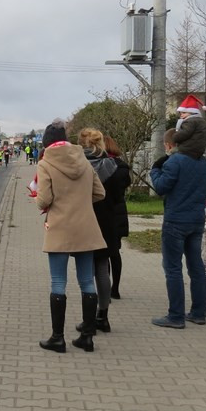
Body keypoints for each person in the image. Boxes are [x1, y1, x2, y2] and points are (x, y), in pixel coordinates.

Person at [35, 119, 106, 353]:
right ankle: (87, 337)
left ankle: (58, 339)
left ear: (47, 143)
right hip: (86, 228)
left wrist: (41, 202)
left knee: (58, 281)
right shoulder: (84, 161)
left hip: (59, 228)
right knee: (87, 281)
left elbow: (44, 200)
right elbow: (100, 193)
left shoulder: (46, 164)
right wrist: (81, 203)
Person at [150, 126, 206, 329]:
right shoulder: (202, 162)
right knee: (196, 266)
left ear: (169, 145)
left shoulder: (175, 161)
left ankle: (175, 316)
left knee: (173, 269)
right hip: (197, 220)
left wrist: (155, 170)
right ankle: (199, 312)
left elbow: (161, 187)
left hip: (175, 221)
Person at [76, 128, 131, 335]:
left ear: (82, 144)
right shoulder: (113, 166)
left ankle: (88, 321)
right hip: (107, 221)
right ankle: (103, 316)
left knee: (86, 272)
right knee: (101, 268)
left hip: (84, 220)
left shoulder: (79, 165)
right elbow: (118, 197)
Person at [104, 135, 131, 299]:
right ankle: (115, 289)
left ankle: (105, 288)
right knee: (115, 252)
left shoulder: (103, 166)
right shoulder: (122, 167)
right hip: (119, 212)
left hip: (105, 212)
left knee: (103, 255)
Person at [172, 94, 206, 159]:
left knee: (172, 154)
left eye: (184, 113)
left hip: (187, 150)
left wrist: (174, 136)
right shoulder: (202, 121)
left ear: (192, 112)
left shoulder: (190, 121)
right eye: (180, 113)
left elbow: (183, 134)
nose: (181, 115)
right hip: (199, 150)